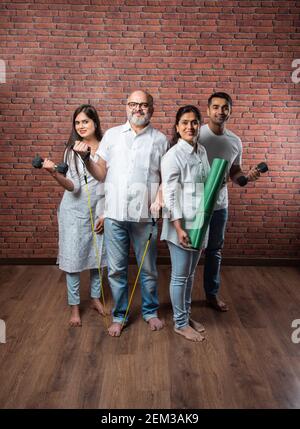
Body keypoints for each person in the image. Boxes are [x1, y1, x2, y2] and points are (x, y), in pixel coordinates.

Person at [73, 90, 169, 337]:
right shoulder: (113, 136)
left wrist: (159, 199)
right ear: (126, 107)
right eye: (133, 104)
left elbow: (165, 178)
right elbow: (101, 173)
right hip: (114, 215)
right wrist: (86, 160)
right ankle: (120, 315)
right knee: (116, 270)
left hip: (144, 218)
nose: (138, 109)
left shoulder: (160, 139)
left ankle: (150, 312)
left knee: (147, 269)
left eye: (144, 105)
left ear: (151, 109)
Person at [42, 104, 107, 327]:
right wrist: (54, 174)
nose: (80, 126)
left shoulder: (106, 147)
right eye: (77, 122)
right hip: (73, 212)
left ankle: (96, 299)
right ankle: (75, 307)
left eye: (85, 121)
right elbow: (73, 187)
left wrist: (105, 213)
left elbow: (109, 182)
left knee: (98, 257)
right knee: (73, 259)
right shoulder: (71, 151)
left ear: (95, 123)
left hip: (98, 210)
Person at [200, 92, 260, 312]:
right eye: (215, 107)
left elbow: (235, 172)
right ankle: (183, 297)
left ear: (230, 111)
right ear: (207, 110)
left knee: (215, 250)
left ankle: (211, 295)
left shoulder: (235, 141)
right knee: (191, 250)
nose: (220, 111)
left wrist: (246, 178)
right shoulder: (196, 134)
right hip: (195, 204)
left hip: (219, 206)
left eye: (225, 107)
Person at [161, 105, 210, 342]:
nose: (190, 127)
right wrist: (179, 228)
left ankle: (185, 315)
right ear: (177, 127)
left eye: (194, 122)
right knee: (180, 276)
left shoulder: (201, 151)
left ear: (199, 125)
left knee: (190, 275)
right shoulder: (173, 156)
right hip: (180, 224)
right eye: (185, 122)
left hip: (199, 223)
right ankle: (179, 323)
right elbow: (170, 196)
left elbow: (205, 184)